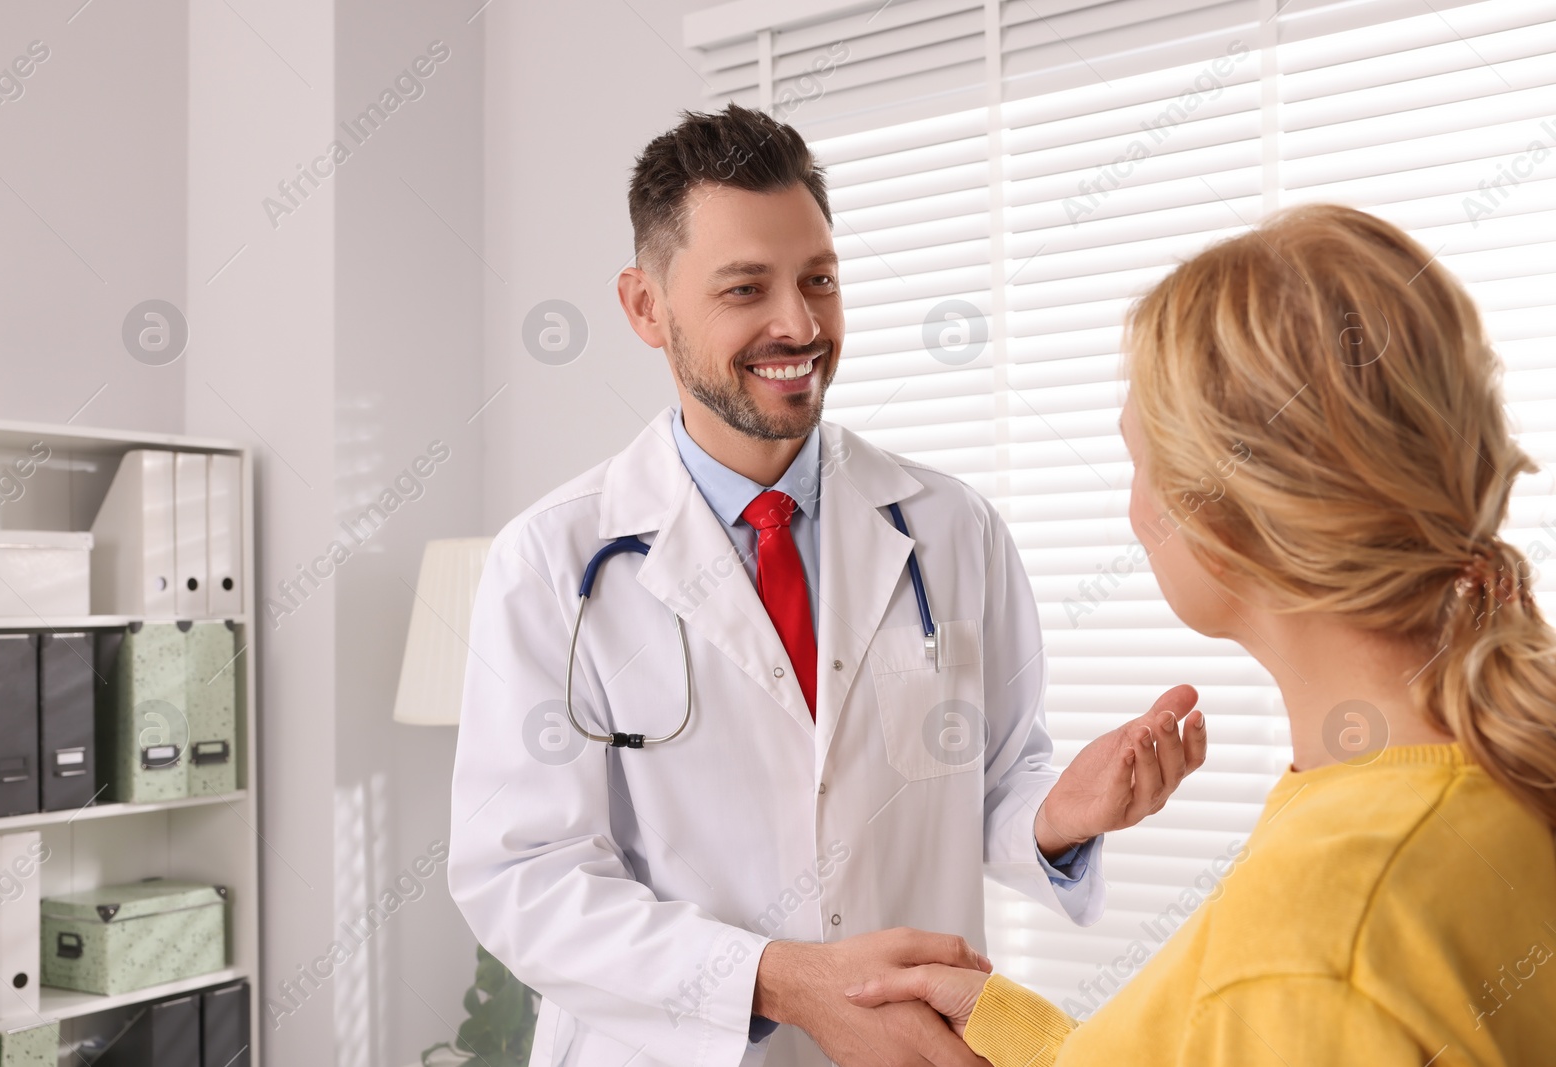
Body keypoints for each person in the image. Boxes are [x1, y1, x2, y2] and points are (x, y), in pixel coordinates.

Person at [446, 103, 1206, 1067]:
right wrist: (783, 980)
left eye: (819, 280)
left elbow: (991, 787)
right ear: (646, 307)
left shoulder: (949, 529)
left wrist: (1062, 815)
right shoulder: (554, 563)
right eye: (745, 288)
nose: (798, 324)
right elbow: (525, 878)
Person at [841, 203, 1556, 1065]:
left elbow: (1296, 1000)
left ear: (1230, 524)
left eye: (1142, 465)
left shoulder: (1327, 934)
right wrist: (1016, 1033)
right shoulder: (1448, 782)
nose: (1133, 510)